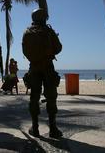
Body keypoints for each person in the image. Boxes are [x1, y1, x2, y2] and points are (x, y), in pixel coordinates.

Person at [22, 8, 63, 138]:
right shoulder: (48, 31)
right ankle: (53, 128)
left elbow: (24, 50)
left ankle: (35, 128)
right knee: (51, 97)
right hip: (48, 67)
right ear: (43, 18)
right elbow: (58, 48)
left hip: (33, 67)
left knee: (34, 97)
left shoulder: (27, 32)